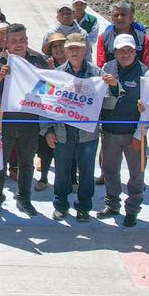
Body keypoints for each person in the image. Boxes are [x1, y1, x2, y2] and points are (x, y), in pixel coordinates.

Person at [39, 33, 111, 222]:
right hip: (63, 131)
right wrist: (47, 130)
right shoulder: (58, 75)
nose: (74, 52)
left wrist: (113, 87)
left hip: (87, 133)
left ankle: (84, 207)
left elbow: (109, 104)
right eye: (71, 48)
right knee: (62, 171)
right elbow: (47, 103)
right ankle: (61, 205)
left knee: (86, 172)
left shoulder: (97, 74)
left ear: (85, 49)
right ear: (66, 51)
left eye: (78, 48)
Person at [0, 24, 50, 216]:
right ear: (6, 43)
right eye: (14, 41)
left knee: (26, 163)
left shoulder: (39, 61)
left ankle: (24, 198)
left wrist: (34, 86)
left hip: (29, 122)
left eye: (22, 40)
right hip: (4, 123)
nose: (19, 44)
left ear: (27, 41)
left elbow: (47, 89)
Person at [98, 33, 149, 225]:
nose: (125, 54)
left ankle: (132, 209)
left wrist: (140, 134)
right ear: (115, 52)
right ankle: (112, 204)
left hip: (134, 133)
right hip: (111, 131)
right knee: (109, 170)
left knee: (136, 173)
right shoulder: (106, 68)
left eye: (129, 50)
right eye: (121, 51)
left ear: (135, 51)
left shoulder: (146, 74)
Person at [34, 33, 69, 191]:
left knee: (70, 148)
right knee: (46, 147)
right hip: (48, 113)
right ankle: (44, 177)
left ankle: (72, 179)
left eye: (61, 45)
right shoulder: (44, 67)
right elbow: (40, 91)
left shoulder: (75, 66)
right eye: (54, 46)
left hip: (69, 115)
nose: (58, 49)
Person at [95, 0, 149, 68]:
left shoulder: (143, 39)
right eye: (116, 15)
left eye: (123, 14)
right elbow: (101, 66)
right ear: (112, 19)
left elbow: (146, 65)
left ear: (131, 18)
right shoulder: (103, 38)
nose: (119, 18)